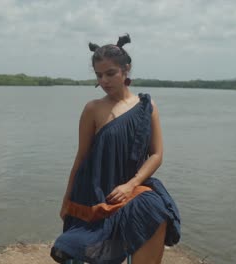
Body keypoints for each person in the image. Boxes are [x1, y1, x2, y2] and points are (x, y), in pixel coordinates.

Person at [50, 34, 181, 264]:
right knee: (72, 245)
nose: (104, 81)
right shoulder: (93, 109)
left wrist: (131, 184)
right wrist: (66, 200)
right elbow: (81, 157)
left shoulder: (146, 106)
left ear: (126, 69)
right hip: (95, 191)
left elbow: (157, 154)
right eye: (99, 75)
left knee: (156, 209)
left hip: (131, 185)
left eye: (110, 73)